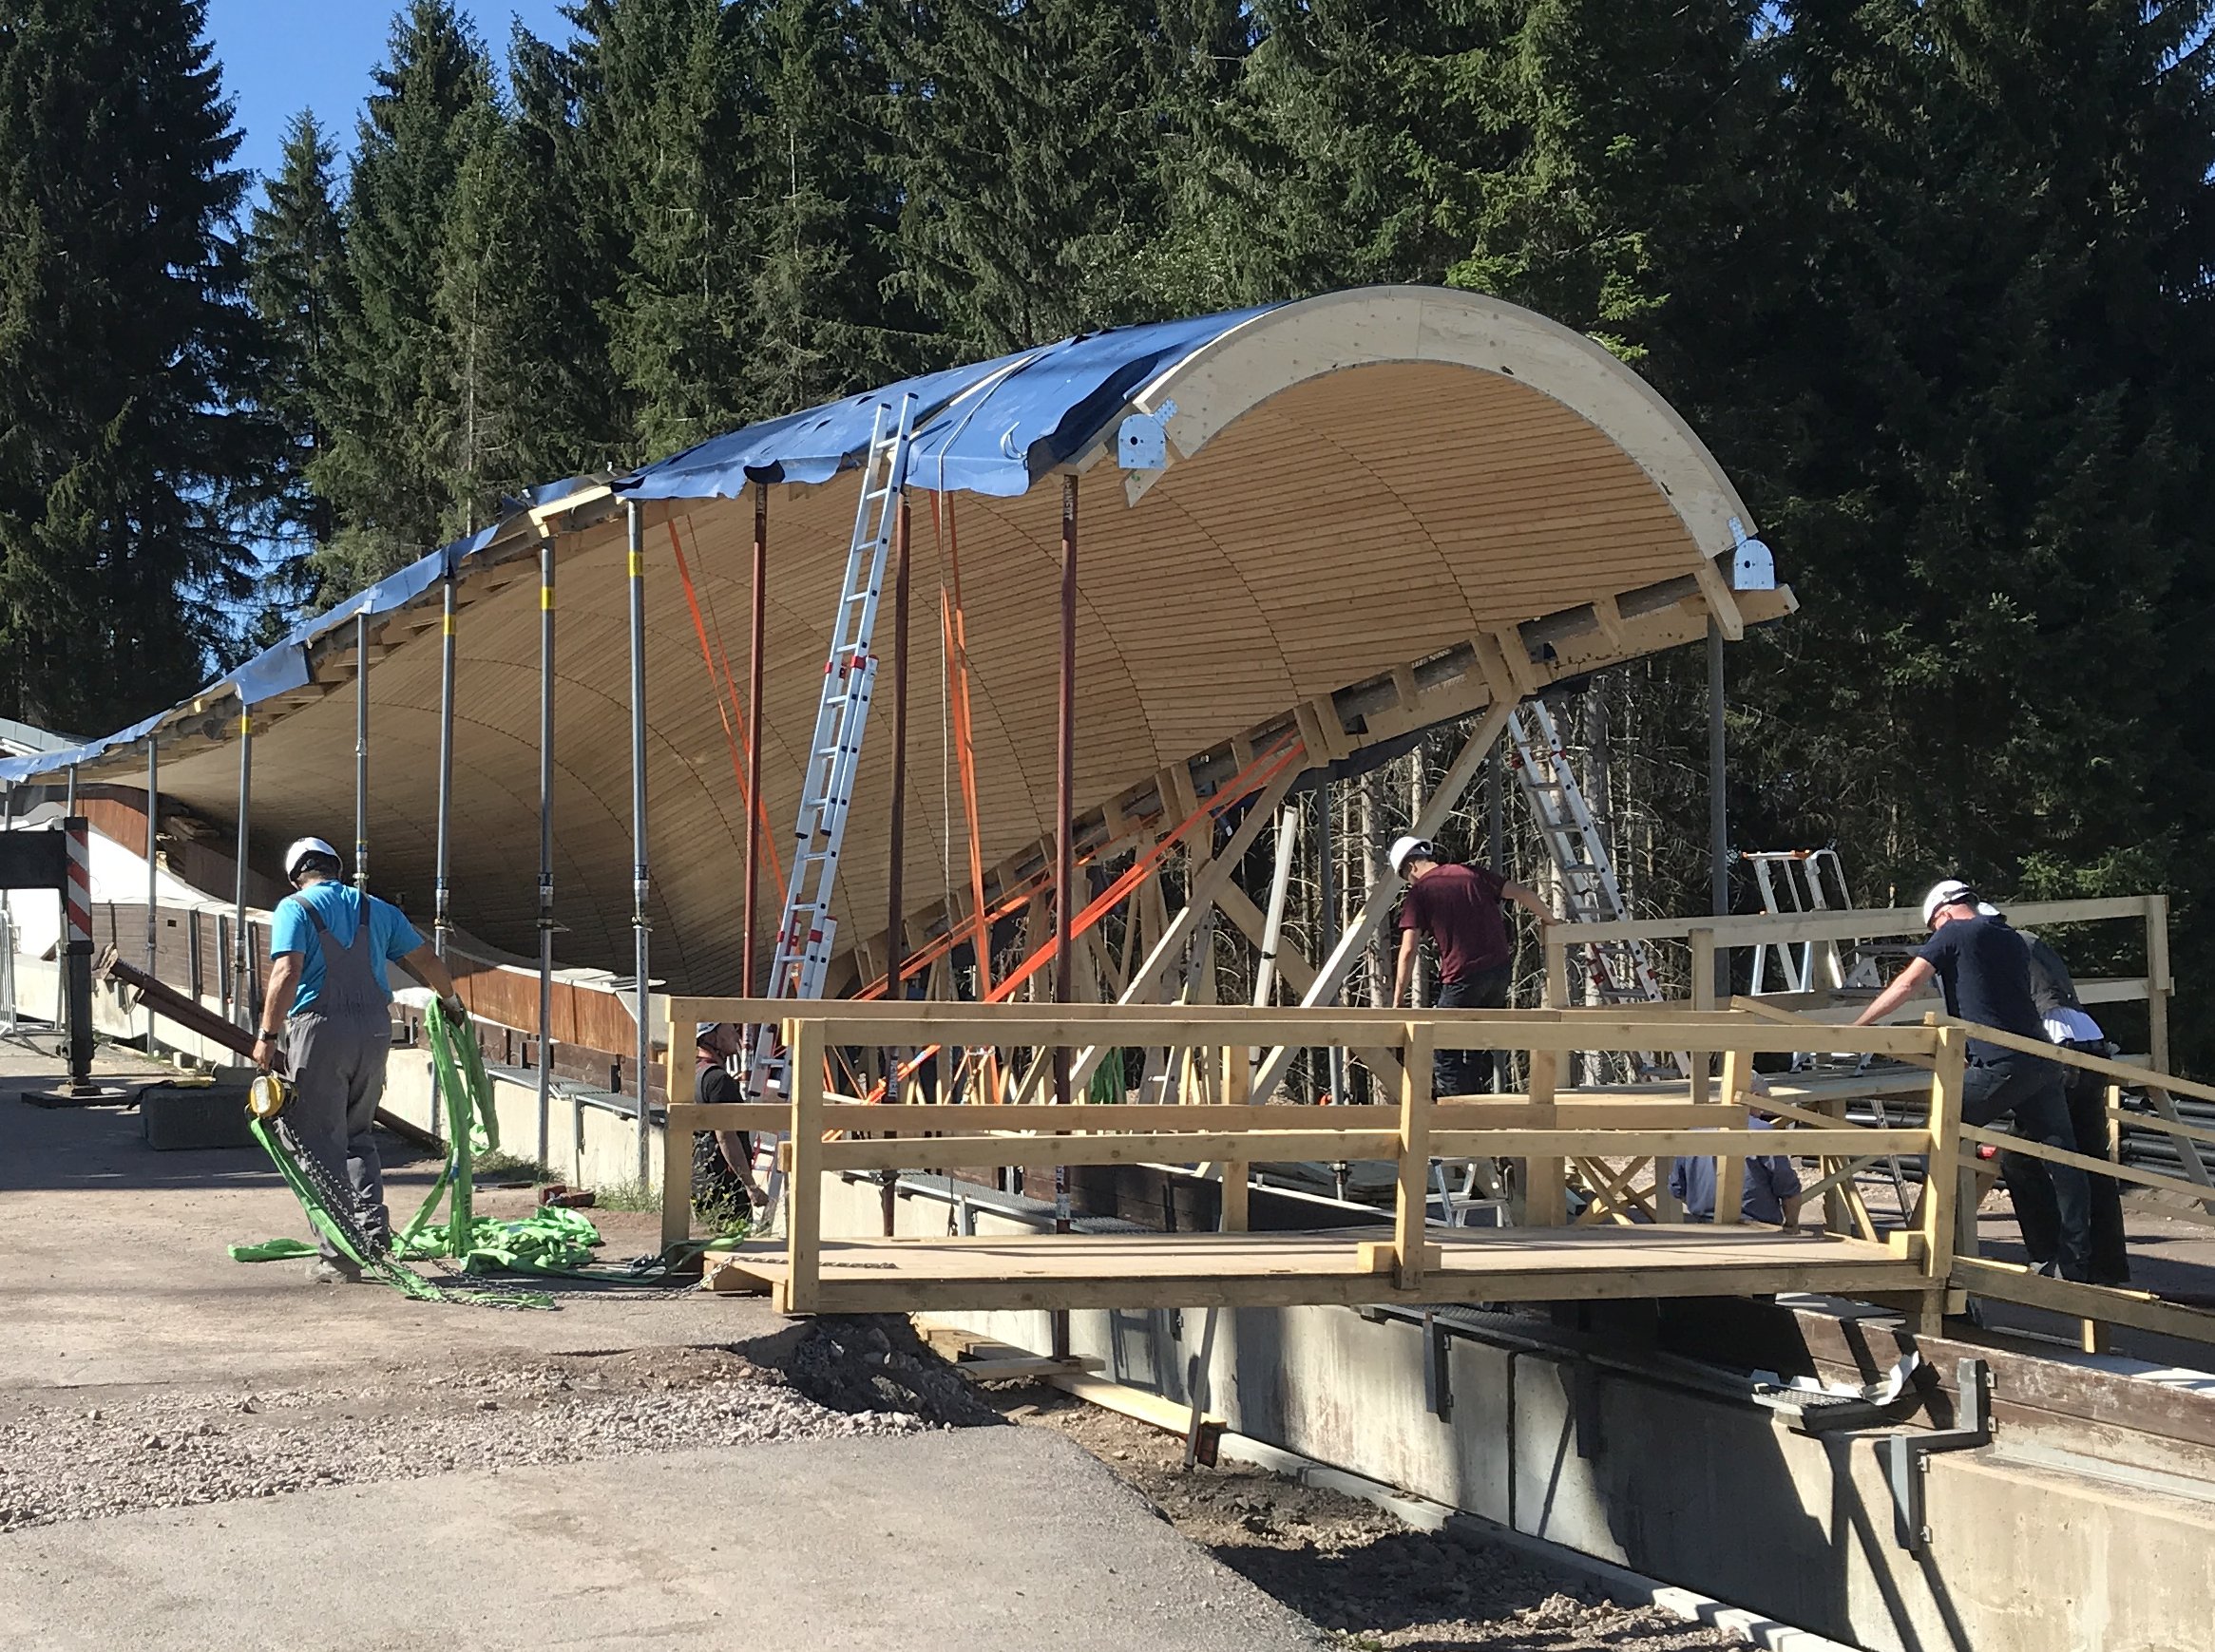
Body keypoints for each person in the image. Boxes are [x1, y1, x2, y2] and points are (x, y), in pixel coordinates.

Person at [1852, 879, 2093, 1281]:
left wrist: (1859, 1027)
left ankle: (1941, 1249)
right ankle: (2071, 1260)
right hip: (2040, 1060)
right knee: (2061, 1158)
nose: (1935, 935)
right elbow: (1988, 996)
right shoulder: (2011, 938)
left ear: (1942, 913)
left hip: (2002, 1063)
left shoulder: (1955, 932)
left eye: (1933, 928)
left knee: (1935, 1134)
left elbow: (1908, 983)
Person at [251, 836, 467, 1283]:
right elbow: (425, 958)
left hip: (319, 1030)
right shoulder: (377, 910)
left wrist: (268, 1035)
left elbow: (287, 971)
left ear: (296, 875)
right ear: (337, 868)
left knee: (315, 1141)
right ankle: (372, 1239)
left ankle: (338, 1256)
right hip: (374, 1031)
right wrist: (451, 1002)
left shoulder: (295, 908)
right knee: (358, 1135)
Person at [1999, 921, 2130, 1284]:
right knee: (2091, 1160)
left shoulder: (1996, 946)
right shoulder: (2031, 942)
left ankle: (2053, 1257)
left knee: (2021, 1158)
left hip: (2057, 1050)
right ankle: (2108, 1266)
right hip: (2091, 1044)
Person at [1386, 835, 1555, 1097]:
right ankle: (1479, 1116)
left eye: (1406, 878)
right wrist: (1552, 922)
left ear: (1410, 868)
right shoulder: (1469, 873)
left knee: (1443, 1048)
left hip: (1463, 977)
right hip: (1499, 972)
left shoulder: (1419, 893)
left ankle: (1460, 1122)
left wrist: (1397, 1001)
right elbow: (1523, 893)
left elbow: (1408, 950)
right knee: (1475, 1047)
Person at [1670, 1092, 1805, 1229]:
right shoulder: (1763, 1132)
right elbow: (1788, 1188)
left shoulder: (1695, 1131)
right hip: (1758, 1226)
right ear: (1754, 1096)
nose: (1764, 1109)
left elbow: (1677, 1188)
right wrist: (1791, 1225)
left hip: (1705, 1225)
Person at [694, 1021, 770, 1222]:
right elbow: (726, 1137)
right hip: (725, 1179)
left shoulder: (694, 1073)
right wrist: (750, 1187)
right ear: (711, 1038)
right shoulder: (719, 1080)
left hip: (701, 1175)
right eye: (729, 1028)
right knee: (734, 1243)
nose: (736, 1033)